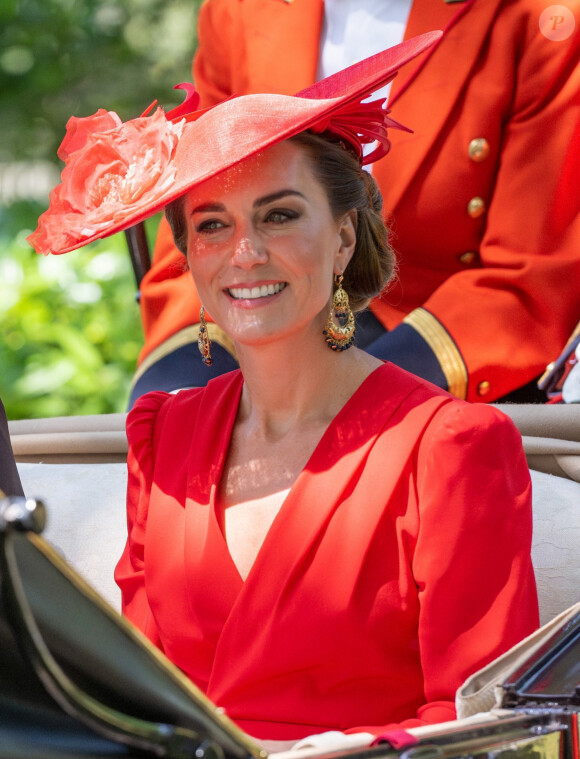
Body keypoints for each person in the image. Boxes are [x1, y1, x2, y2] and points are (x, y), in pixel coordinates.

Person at [28, 35, 539, 747]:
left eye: (280, 215)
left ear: (342, 238)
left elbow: (484, 725)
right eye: (213, 225)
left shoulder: (452, 446)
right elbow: (140, 696)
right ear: (191, 257)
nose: (246, 252)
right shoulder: (161, 436)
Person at [131, 0, 580, 408]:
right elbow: (200, 219)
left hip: (438, 352)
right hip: (256, 340)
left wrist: (347, 396)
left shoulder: (539, 15)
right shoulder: (240, 10)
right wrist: (182, 379)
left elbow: (531, 275)